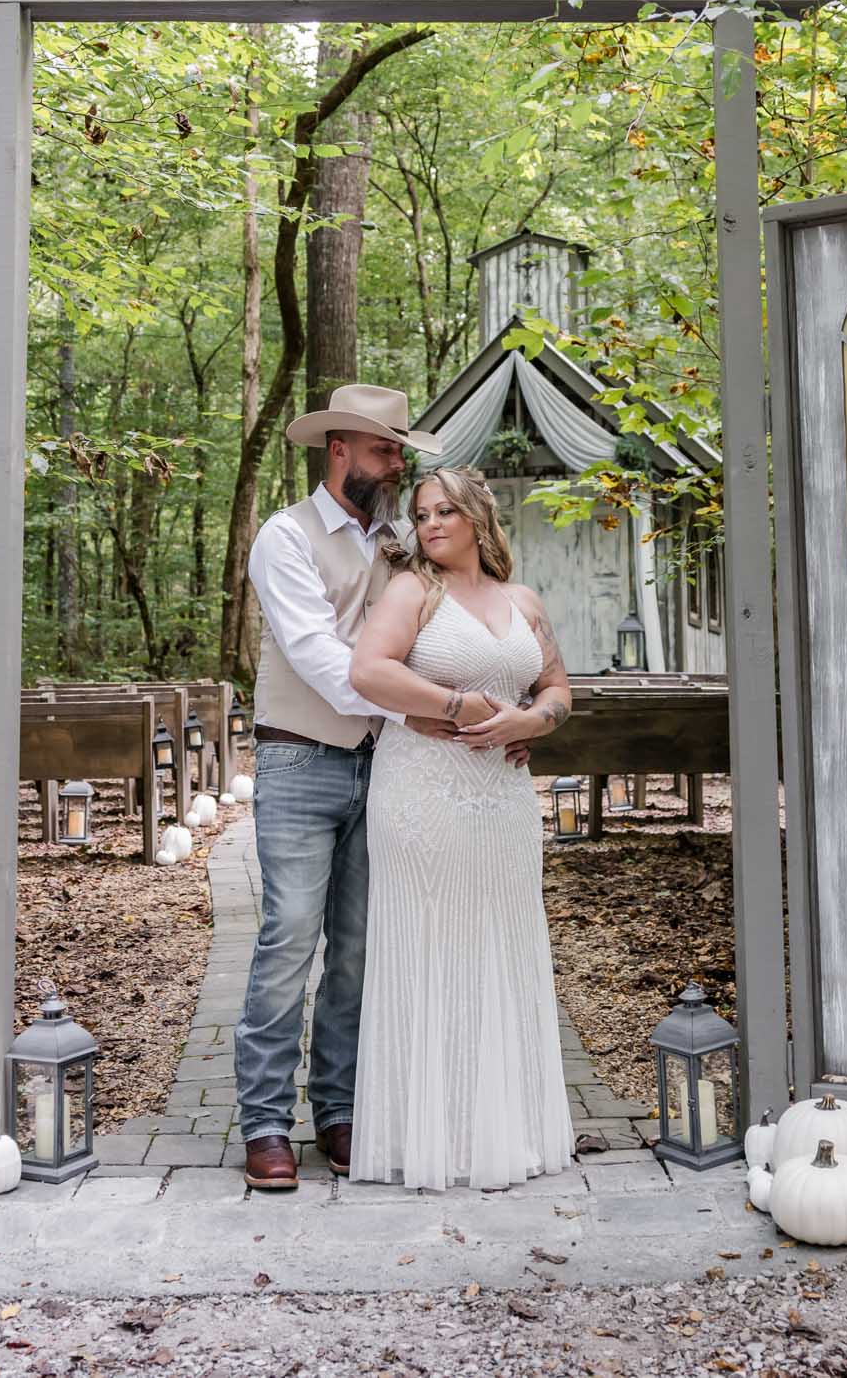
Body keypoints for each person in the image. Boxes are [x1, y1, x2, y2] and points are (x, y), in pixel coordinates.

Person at [234, 383, 451, 1194]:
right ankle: (263, 1121)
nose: (397, 463)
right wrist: (423, 707)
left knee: (358, 949)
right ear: (340, 451)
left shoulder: (399, 540)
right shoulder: (283, 538)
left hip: (384, 763)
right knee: (289, 938)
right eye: (386, 449)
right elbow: (324, 659)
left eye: (399, 450)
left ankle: (339, 1110)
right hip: (299, 761)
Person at [345, 464, 575, 1190]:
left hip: (503, 801)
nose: (431, 523)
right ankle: (430, 1136)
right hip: (424, 793)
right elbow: (366, 671)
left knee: (501, 945)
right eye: (421, 513)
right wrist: (458, 705)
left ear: (478, 516)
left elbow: (558, 688)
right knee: (431, 945)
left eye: (445, 510)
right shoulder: (414, 590)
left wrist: (531, 718)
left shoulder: (523, 599)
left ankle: (507, 1130)